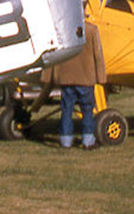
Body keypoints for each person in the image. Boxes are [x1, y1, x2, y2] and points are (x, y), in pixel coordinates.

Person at [34, 20, 107, 148]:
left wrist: (47, 77)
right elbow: (98, 55)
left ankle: (65, 141)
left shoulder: (61, 30)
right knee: (87, 110)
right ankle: (88, 141)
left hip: (66, 78)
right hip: (85, 78)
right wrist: (101, 78)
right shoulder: (91, 30)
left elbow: (53, 53)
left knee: (66, 110)